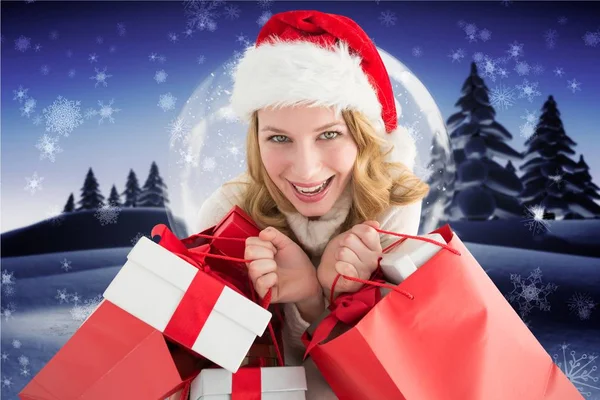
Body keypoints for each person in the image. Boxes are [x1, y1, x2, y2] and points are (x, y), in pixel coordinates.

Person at [196, 9, 429, 399]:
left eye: (329, 134)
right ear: (256, 140)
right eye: (279, 138)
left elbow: (392, 378)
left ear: (363, 137)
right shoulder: (226, 214)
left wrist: (336, 302)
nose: (305, 171)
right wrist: (304, 299)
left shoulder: (391, 205)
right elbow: (213, 371)